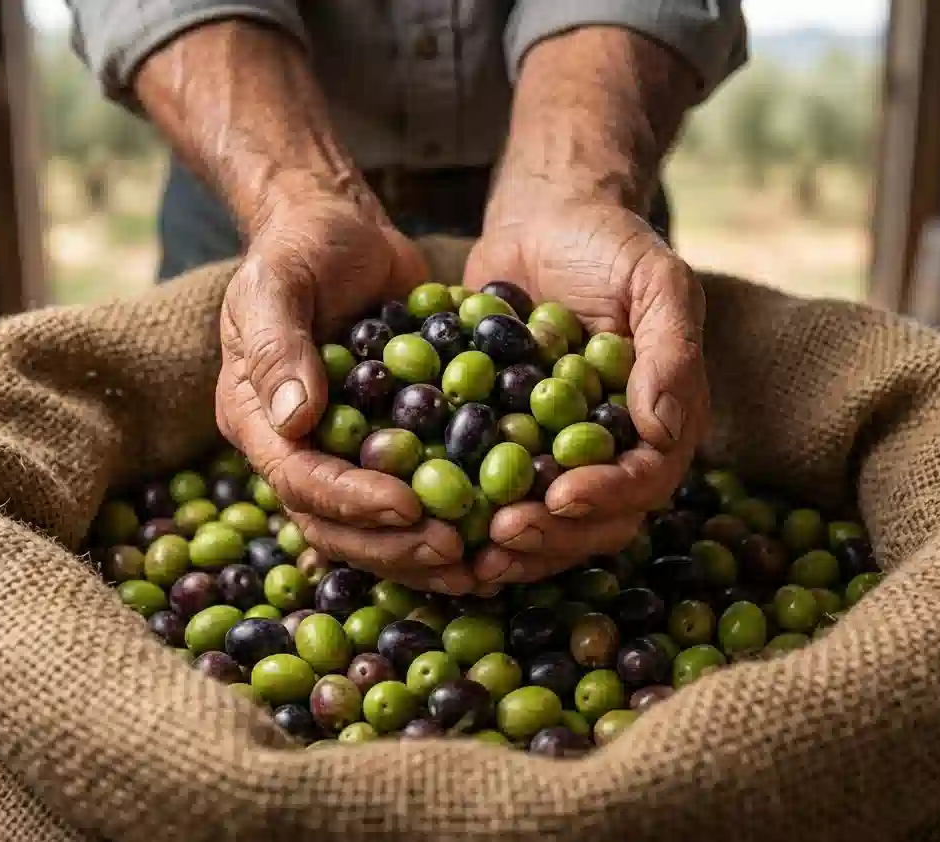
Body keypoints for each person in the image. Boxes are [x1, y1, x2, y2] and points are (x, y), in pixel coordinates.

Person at [67, 1, 747, 596]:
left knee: (632, 459)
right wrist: (293, 199)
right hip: (247, 177)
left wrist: (572, 186)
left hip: (588, 161)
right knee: (268, 404)